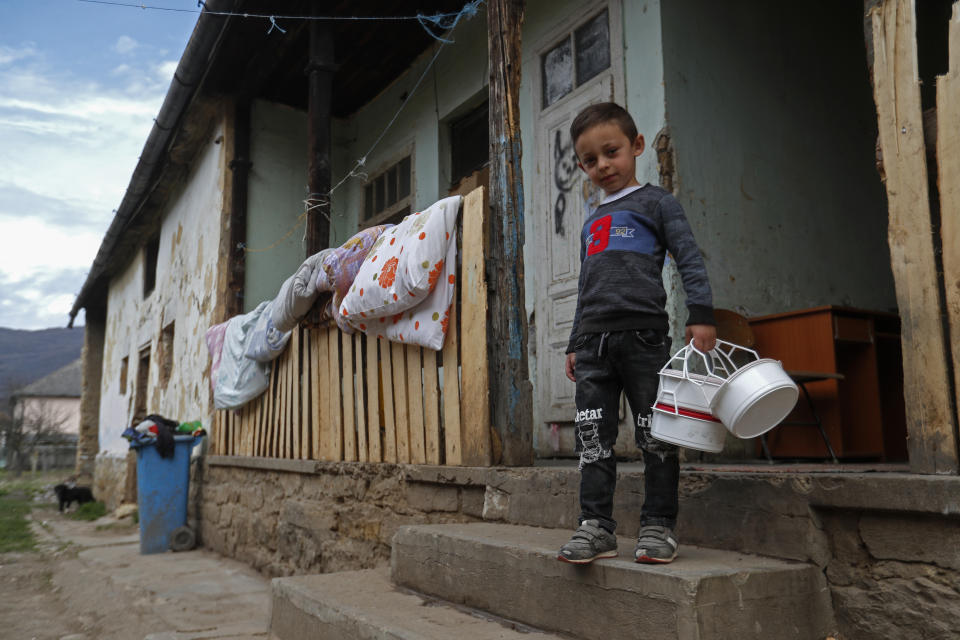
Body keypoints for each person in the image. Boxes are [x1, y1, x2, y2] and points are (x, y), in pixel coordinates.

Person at [557, 102, 716, 565]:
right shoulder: (590, 221)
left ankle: (658, 526)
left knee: (657, 437)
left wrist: (700, 314)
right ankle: (596, 526)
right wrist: (573, 342)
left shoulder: (658, 203)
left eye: (612, 152)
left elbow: (688, 258)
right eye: (590, 160)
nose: (603, 165)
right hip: (593, 345)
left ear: (637, 146)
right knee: (592, 439)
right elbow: (586, 286)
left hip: (645, 339)